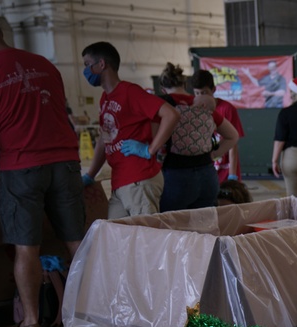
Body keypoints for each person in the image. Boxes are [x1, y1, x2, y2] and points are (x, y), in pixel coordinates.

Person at [0, 9, 84, 327]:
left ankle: (31, 322)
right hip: (66, 161)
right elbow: (59, 113)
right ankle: (87, 314)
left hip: (21, 167)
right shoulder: (46, 64)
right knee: (77, 242)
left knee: (26, 247)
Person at [80, 41, 180, 219]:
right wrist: (90, 175)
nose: (86, 70)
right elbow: (105, 139)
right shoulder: (105, 99)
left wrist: (149, 149)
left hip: (139, 179)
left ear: (101, 64)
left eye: (88, 64)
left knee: (146, 240)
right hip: (120, 181)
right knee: (118, 239)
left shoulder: (130, 92)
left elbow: (171, 115)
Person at [156, 62, 238, 212]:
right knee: (206, 228)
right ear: (185, 85)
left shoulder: (163, 105)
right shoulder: (202, 105)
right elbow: (233, 136)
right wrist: (213, 154)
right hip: (207, 176)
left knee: (174, 229)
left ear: (163, 89)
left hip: (176, 176)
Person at [191, 69, 245, 183]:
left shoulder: (227, 109)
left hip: (225, 172)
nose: (201, 97)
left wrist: (232, 176)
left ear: (213, 89)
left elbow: (233, 146)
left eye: (204, 93)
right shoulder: (191, 110)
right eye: (197, 93)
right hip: (204, 172)